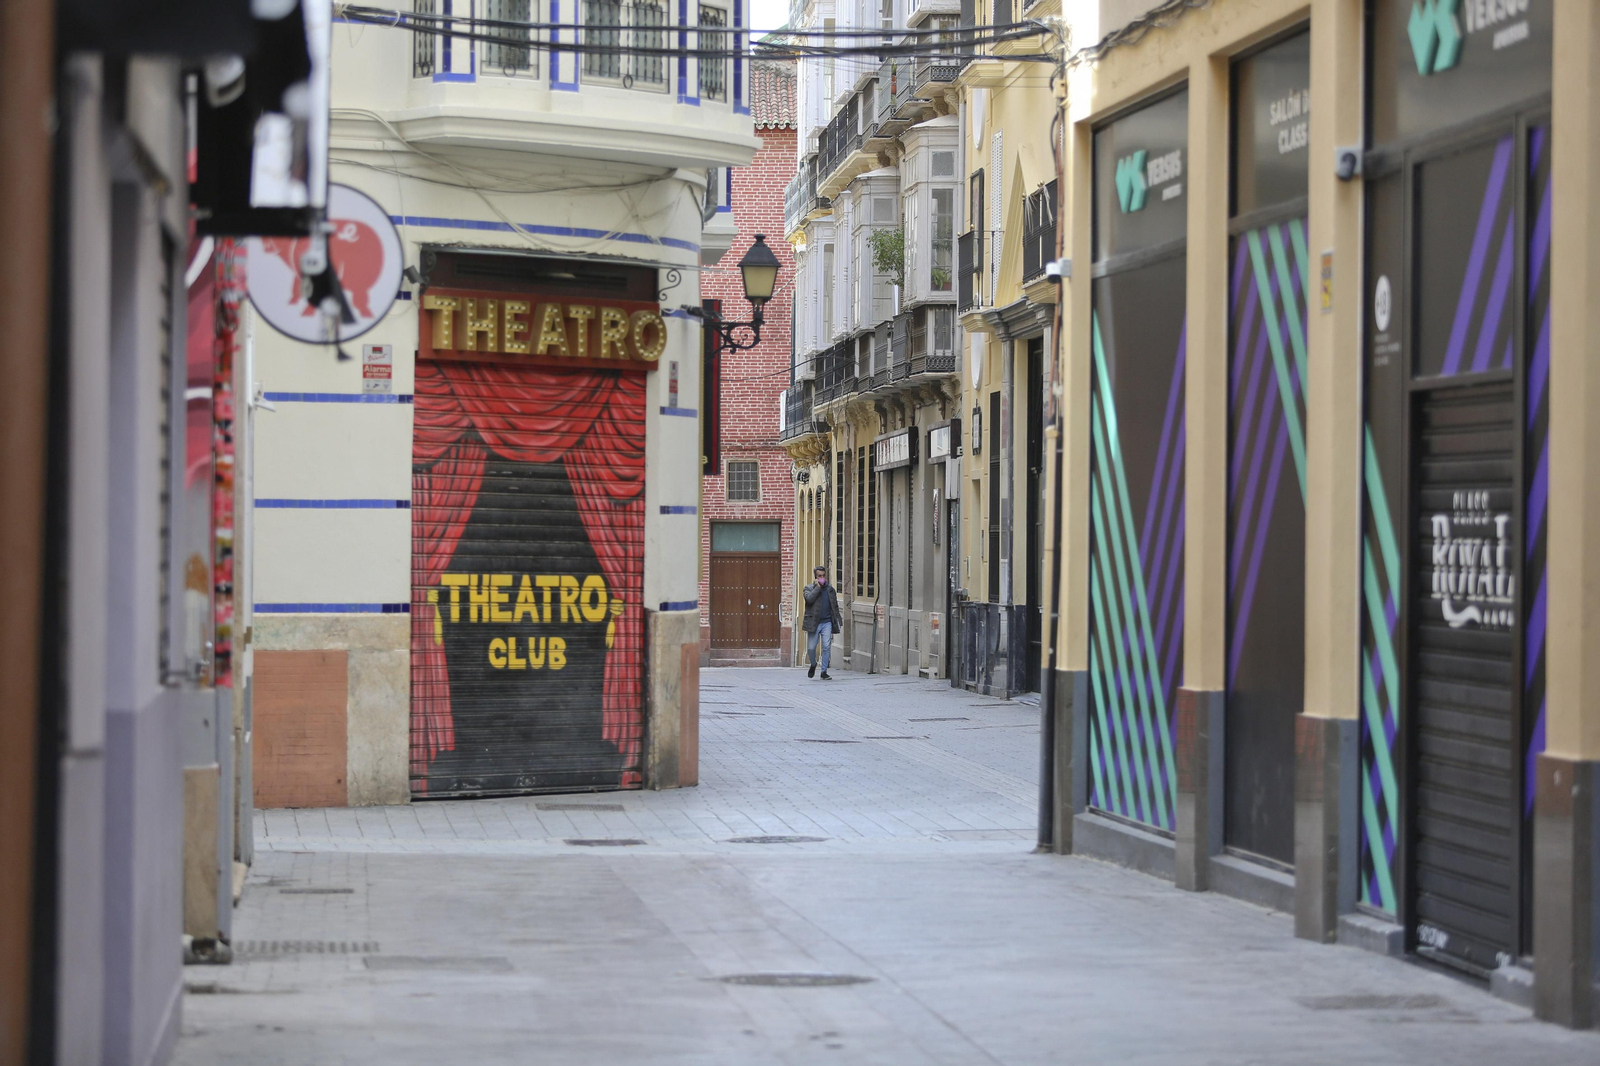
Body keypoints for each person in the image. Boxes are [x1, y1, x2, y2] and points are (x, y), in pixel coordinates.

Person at [802, 565, 843, 680]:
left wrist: (838, 620)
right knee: (811, 648)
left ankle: (824, 671)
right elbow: (809, 599)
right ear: (815, 577)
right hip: (814, 622)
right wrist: (818, 587)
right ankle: (813, 664)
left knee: (826, 646)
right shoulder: (808, 588)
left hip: (827, 622)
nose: (822, 578)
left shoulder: (830, 590)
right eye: (819, 576)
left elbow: (834, 606)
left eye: (824, 576)